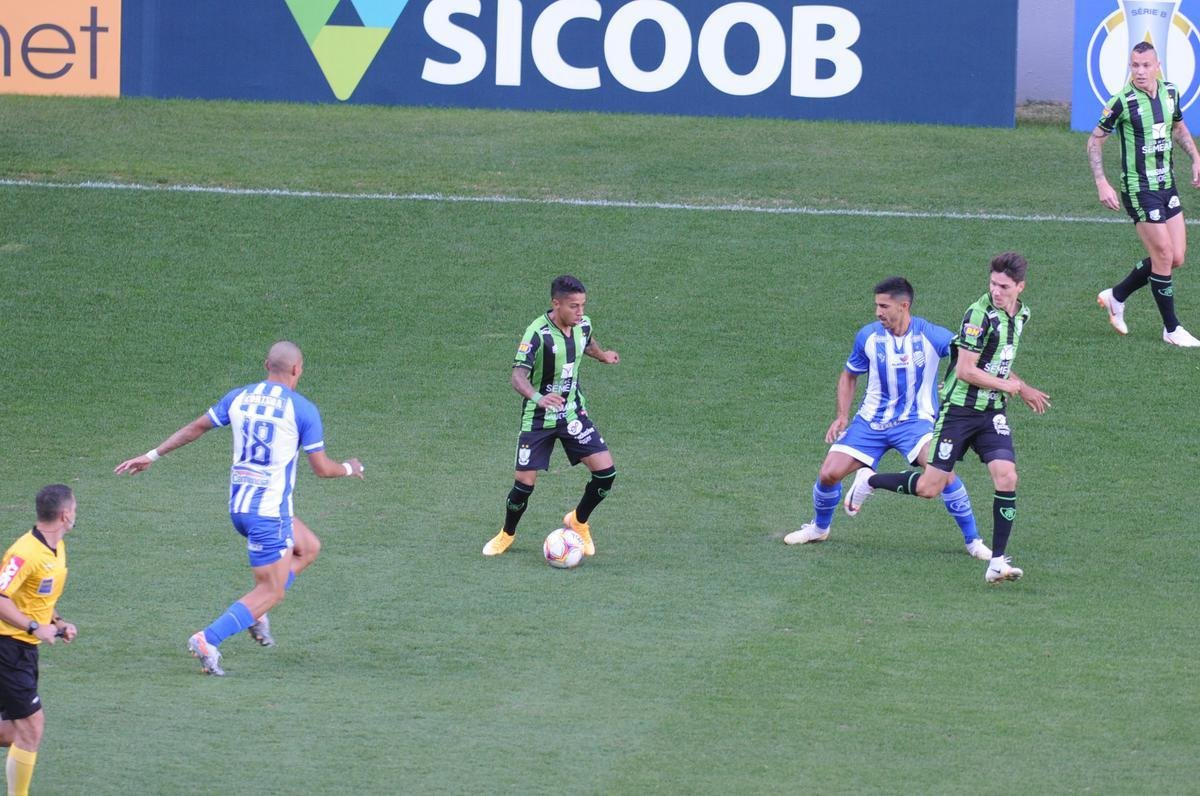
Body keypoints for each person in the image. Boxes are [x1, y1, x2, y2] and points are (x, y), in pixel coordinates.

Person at [114, 341, 363, 675]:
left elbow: (196, 428)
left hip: (241, 508)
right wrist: (349, 468)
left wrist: (152, 455)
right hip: (269, 515)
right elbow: (321, 468)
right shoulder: (302, 410)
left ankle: (254, 613)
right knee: (271, 590)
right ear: (297, 370)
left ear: (266, 365)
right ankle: (208, 639)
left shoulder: (239, 397)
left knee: (308, 548)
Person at [847, 253, 1050, 583]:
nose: (996, 291)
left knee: (1007, 477)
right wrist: (1010, 387)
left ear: (1020, 287)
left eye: (1004, 286)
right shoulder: (978, 315)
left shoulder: (1021, 314)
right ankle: (869, 480)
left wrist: (1021, 387)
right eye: (993, 284)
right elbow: (967, 370)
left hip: (991, 411)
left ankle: (997, 561)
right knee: (930, 487)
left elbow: (996, 361)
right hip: (958, 411)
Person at [784, 277, 990, 560]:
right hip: (870, 422)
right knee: (828, 473)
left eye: (884, 306)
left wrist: (953, 382)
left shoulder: (930, 335)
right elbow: (849, 375)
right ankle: (819, 528)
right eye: (876, 305)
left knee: (942, 472)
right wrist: (842, 416)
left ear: (903, 306)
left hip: (916, 422)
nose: (878, 312)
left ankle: (974, 541)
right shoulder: (867, 336)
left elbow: (967, 358)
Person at [483, 275, 620, 558]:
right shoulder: (537, 333)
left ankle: (578, 521)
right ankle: (507, 534)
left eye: (582, 305)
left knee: (606, 474)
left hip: (572, 413)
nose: (580, 312)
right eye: (573, 306)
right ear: (556, 304)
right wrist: (538, 398)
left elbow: (587, 341)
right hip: (538, 418)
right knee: (524, 485)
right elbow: (517, 375)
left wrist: (602, 355)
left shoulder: (582, 323)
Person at [1089, 41, 1200, 347]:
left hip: (1167, 185)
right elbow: (1095, 141)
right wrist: (1102, 181)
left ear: (1157, 65)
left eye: (1145, 65)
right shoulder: (1122, 101)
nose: (1139, 71)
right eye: (1134, 65)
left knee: (1175, 257)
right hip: (1139, 189)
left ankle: (1117, 295)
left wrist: (1196, 158)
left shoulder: (1171, 92)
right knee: (1163, 253)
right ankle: (1172, 328)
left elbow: (1178, 128)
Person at [0, 485, 79, 796]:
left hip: (23, 648)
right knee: (32, 729)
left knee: (12, 732)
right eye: (75, 509)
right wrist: (35, 627)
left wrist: (57, 622)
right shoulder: (24, 553)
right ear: (65, 514)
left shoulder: (55, 547)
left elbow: (36, 596)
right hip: (7, 647)